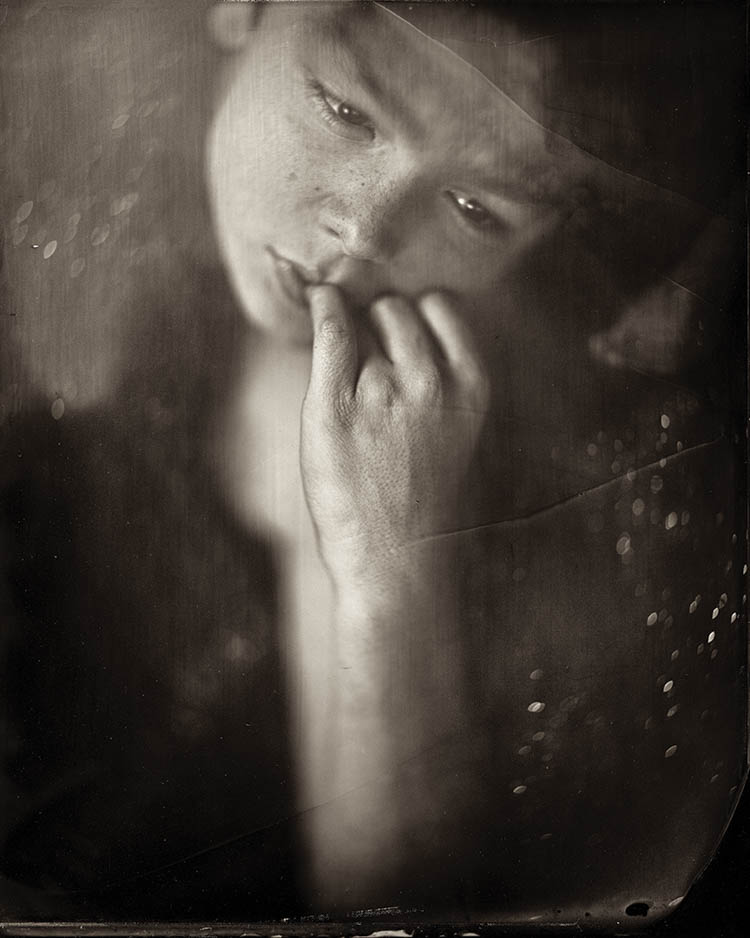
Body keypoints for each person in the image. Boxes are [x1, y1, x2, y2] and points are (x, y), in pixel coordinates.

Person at [0, 0, 746, 925]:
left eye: (477, 209)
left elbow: (392, 910)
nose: (364, 233)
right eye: (346, 111)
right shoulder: (46, 197)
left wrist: (388, 565)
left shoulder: (562, 449)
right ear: (244, 8)